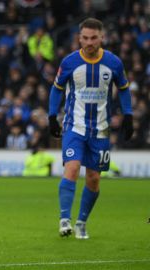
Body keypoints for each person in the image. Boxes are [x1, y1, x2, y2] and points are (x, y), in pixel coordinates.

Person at [48, 18, 133, 240]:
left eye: (94, 38)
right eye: (85, 38)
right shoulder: (69, 62)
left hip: (101, 130)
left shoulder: (113, 63)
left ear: (102, 37)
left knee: (94, 178)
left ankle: (81, 222)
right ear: (79, 38)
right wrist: (51, 116)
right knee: (73, 168)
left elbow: (123, 89)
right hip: (74, 126)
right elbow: (56, 89)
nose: (89, 42)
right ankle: (64, 219)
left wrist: (129, 115)